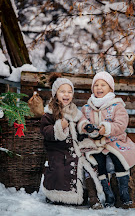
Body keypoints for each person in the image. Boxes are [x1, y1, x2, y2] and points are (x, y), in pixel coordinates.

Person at [40, 73, 103, 209]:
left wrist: (87, 127)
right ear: (55, 93)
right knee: (61, 169)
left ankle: (91, 196)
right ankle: (58, 196)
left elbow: (81, 124)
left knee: (87, 164)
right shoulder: (49, 113)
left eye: (69, 92)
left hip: (74, 149)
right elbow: (46, 132)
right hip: (58, 151)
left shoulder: (75, 111)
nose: (66, 95)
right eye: (62, 91)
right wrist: (58, 127)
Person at [77, 71, 135, 207]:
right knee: (99, 163)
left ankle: (124, 192)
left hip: (114, 141)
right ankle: (107, 194)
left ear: (110, 88)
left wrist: (107, 128)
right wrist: (86, 127)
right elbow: (81, 120)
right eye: (96, 85)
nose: (99, 88)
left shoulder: (117, 106)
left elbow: (121, 124)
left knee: (119, 158)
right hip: (95, 143)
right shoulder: (87, 108)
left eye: (103, 85)